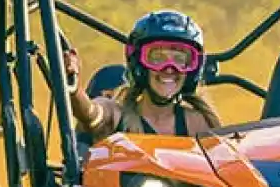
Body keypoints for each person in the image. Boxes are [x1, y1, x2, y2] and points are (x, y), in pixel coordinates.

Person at [65, 10, 220, 140]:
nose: (169, 69)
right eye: (157, 58)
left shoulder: (196, 123)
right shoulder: (117, 116)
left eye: (180, 60)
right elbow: (91, 113)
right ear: (139, 64)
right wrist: (73, 87)